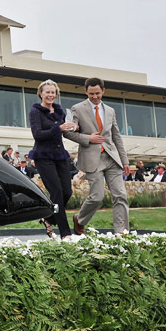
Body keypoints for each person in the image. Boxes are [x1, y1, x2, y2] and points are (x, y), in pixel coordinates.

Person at [64, 77, 131, 236]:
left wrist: (124, 160)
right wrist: (88, 138)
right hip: (92, 159)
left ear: (103, 91)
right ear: (85, 91)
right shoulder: (77, 108)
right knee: (96, 197)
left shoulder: (110, 110)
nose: (95, 97)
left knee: (120, 195)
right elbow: (68, 132)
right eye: (91, 93)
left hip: (112, 158)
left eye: (98, 93)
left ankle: (122, 233)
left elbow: (116, 136)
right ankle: (80, 219)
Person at [28, 79, 77, 239]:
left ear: (56, 94)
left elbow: (64, 131)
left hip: (60, 156)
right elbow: (38, 134)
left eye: (52, 92)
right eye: (47, 92)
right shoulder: (35, 111)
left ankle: (48, 218)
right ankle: (65, 233)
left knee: (67, 192)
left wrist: (75, 127)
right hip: (43, 156)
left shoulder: (60, 111)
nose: (50, 95)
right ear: (41, 94)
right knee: (56, 192)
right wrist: (58, 128)